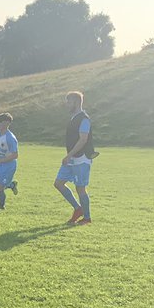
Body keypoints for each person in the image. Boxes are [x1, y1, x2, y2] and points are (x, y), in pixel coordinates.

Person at [54, 91, 96, 226]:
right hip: (72, 158)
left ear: (77, 102)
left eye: (69, 102)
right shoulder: (74, 118)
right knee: (58, 183)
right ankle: (78, 209)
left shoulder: (84, 119)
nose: (67, 104)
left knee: (80, 188)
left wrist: (69, 155)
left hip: (81, 158)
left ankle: (87, 218)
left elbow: (83, 140)